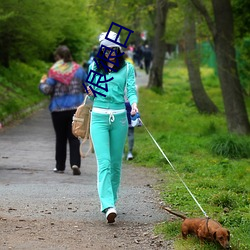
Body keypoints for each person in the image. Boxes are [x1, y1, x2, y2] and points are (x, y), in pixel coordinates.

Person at [87, 31, 138, 223]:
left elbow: (131, 91)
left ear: (117, 49)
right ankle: (108, 205)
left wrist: (134, 104)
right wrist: (90, 91)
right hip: (99, 118)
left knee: (116, 164)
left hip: (120, 119)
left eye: (110, 48)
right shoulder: (94, 66)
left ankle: (113, 201)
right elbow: (91, 96)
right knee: (105, 163)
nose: (106, 51)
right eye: (104, 48)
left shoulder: (127, 68)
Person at [39, 45, 87, 175]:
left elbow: (47, 90)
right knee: (74, 136)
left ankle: (60, 167)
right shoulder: (79, 70)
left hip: (58, 109)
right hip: (75, 109)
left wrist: (42, 83)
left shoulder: (54, 71)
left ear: (58, 57)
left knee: (60, 138)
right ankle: (75, 163)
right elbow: (87, 87)